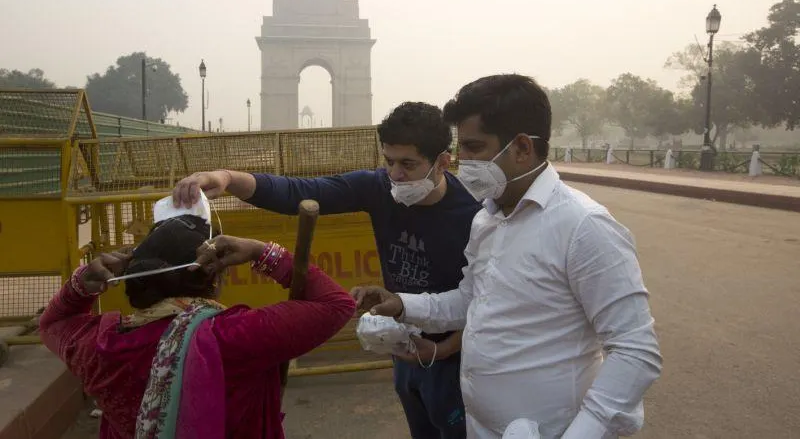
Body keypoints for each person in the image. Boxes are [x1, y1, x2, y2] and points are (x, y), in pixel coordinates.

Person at [356, 74, 663, 439]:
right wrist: (403, 305)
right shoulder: (487, 219)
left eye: (474, 147)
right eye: (461, 148)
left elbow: (635, 349)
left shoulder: (583, 226)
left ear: (522, 148)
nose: (462, 161)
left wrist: (583, 431)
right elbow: (472, 300)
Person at [172, 102, 482, 439]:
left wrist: (443, 350)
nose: (395, 174)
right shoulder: (378, 188)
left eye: (408, 164)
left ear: (443, 162)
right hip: (404, 344)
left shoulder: (474, 214)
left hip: (458, 355)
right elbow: (299, 192)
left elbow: (484, 298)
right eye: (389, 161)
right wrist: (228, 178)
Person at [39, 214, 355, 439]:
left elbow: (53, 322)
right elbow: (337, 304)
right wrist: (262, 252)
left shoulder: (99, 345)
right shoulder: (234, 336)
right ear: (215, 277)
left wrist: (81, 285)